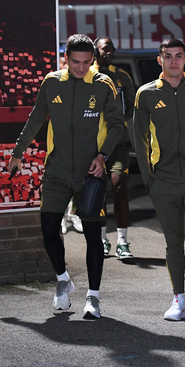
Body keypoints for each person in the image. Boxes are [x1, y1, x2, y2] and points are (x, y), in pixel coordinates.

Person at [8, 34, 124, 319]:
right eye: (75, 62)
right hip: (57, 172)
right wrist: (18, 152)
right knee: (49, 230)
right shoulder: (51, 83)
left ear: (92, 60)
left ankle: (93, 298)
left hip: (90, 173)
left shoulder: (103, 85)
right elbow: (36, 117)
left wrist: (103, 156)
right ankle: (63, 280)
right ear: (65, 59)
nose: (81, 68)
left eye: (86, 62)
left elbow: (117, 125)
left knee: (93, 236)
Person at [134, 38, 185, 326]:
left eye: (178, 56)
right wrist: (149, 180)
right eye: (167, 56)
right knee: (173, 243)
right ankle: (179, 299)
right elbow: (140, 139)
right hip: (164, 181)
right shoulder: (145, 94)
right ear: (160, 60)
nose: (173, 61)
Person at [91, 36, 136, 260]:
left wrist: (116, 127)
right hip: (94, 146)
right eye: (105, 49)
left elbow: (129, 108)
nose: (110, 52)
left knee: (119, 187)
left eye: (111, 48)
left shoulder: (122, 77)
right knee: (98, 193)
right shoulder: (88, 75)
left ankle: (123, 241)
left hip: (118, 145)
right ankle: (102, 239)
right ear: (95, 51)